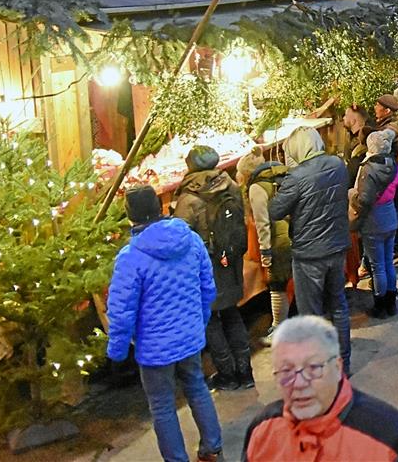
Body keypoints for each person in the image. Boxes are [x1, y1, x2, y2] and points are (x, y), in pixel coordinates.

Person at [107, 187, 223, 462]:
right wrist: (198, 322)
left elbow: (121, 311)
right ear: (160, 208)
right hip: (190, 336)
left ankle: (176, 459)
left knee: (162, 405)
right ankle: (213, 448)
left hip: (154, 347)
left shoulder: (130, 256)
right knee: (197, 386)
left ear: (130, 216)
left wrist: (117, 352)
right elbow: (208, 288)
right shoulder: (191, 240)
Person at [243, 316, 398, 462]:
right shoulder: (262, 430)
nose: (299, 383)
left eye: (313, 368)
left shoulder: (393, 440)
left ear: (337, 367)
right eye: (286, 371)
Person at [268, 128, 353, 374]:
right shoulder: (337, 165)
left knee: (311, 315)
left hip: (309, 253)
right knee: (339, 306)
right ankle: (343, 364)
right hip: (337, 246)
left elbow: (275, 211)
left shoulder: (296, 177)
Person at [173, 145, 252, 391]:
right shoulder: (231, 186)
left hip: (205, 266)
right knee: (231, 312)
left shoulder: (189, 198)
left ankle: (227, 374)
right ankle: (245, 371)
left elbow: (180, 238)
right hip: (231, 260)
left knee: (211, 320)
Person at [238, 149, 293, 346]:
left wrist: (265, 252)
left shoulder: (257, 188)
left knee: (276, 285)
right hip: (294, 233)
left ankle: (279, 329)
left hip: (278, 241)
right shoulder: (281, 174)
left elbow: (263, 223)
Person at [349, 131, 398, 319]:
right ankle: (392, 303)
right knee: (388, 261)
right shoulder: (394, 165)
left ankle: (380, 305)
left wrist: (351, 197)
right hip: (390, 217)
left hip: (374, 220)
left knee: (377, 265)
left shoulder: (368, 169)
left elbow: (364, 200)